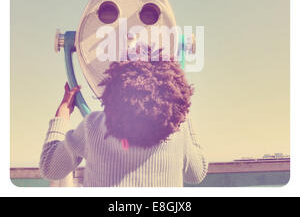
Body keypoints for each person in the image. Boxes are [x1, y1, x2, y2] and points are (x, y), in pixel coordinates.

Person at [39, 48, 207, 187]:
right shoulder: (178, 132)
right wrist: (181, 112)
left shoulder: (94, 126)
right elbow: (197, 173)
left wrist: (63, 111)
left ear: (113, 90)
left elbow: (50, 168)